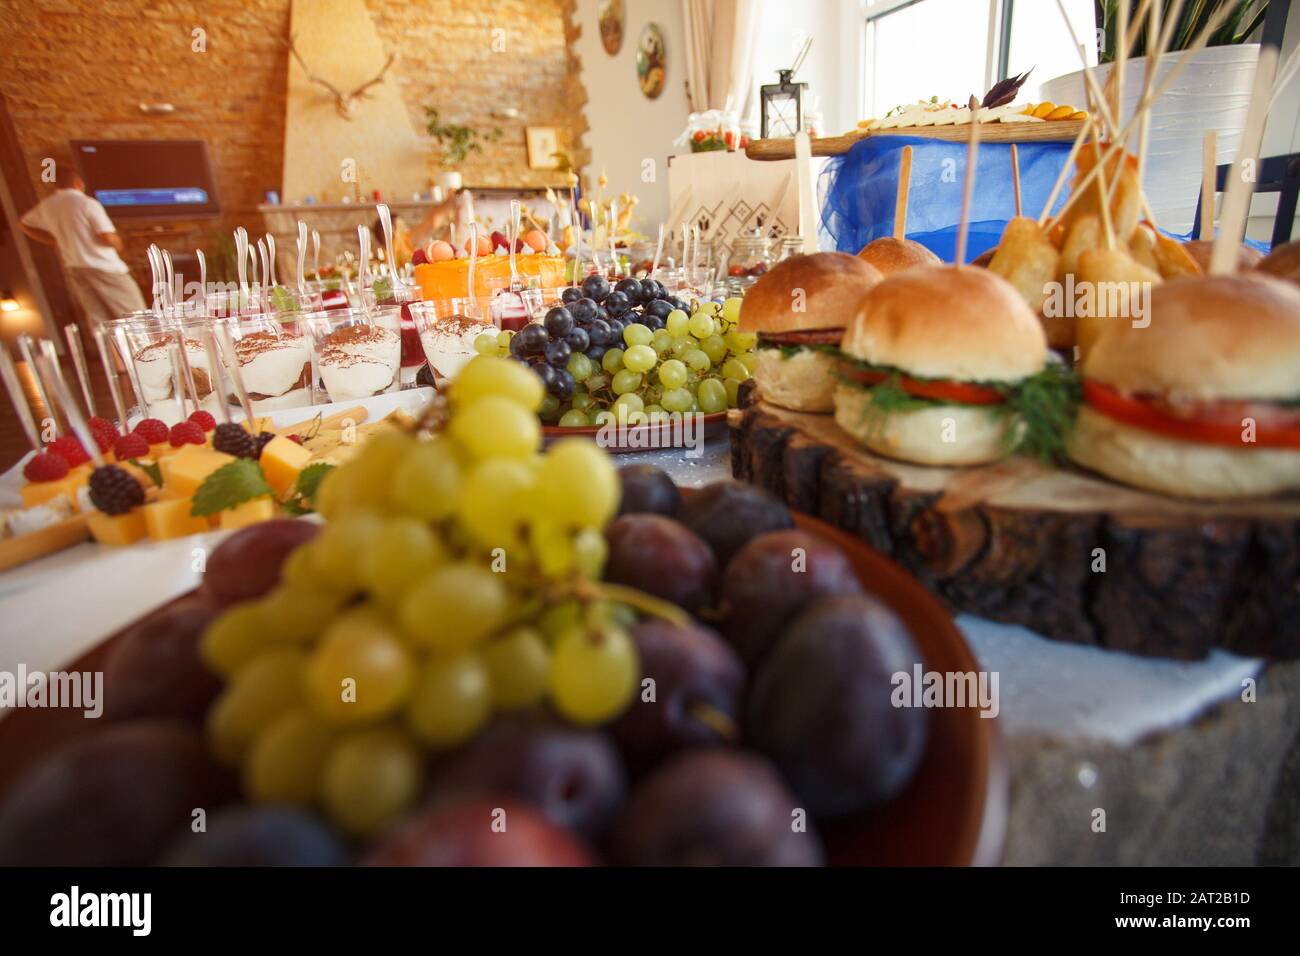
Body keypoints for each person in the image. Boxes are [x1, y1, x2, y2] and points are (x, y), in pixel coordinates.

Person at [19, 165, 146, 328]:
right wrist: (118, 243)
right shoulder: (87, 203)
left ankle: (108, 353)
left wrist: (54, 241)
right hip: (105, 267)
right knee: (137, 317)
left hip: (76, 267)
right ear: (79, 183)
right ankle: (146, 352)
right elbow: (107, 237)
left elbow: (23, 224)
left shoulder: (48, 205)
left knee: (100, 322)